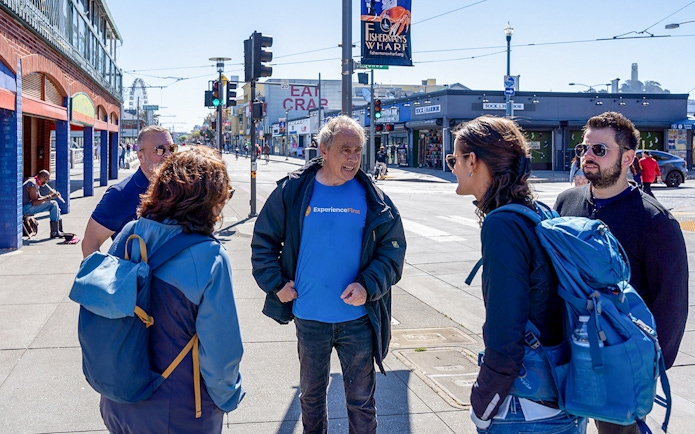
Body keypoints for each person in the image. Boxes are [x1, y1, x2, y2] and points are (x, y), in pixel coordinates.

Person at [251, 115, 406, 434]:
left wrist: (367, 285)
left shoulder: (373, 196)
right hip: (310, 318)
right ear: (324, 149)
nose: (352, 158)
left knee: (362, 401)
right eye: (345, 149)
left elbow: (392, 250)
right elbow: (263, 241)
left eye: (357, 150)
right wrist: (276, 285)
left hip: (358, 320)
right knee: (311, 397)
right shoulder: (294, 190)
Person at [448, 116, 587, 434]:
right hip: (563, 397)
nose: (453, 167)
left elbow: (505, 331)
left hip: (524, 409)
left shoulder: (503, 224)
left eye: (455, 158)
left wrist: (482, 405)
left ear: (473, 161)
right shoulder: (540, 212)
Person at [554, 112, 687, 434]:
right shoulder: (566, 202)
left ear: (627, 158)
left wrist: (650, 365)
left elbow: (672, 302)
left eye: (599, 150)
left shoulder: (655, 222)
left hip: (617, 357)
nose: (586, 156)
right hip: (564, 347)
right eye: (583, 149)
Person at [99, 146, 244, 433]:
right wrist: (228, 397)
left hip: (118, 398)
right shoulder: (209, 256)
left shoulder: (129, 233)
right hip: (178, 409)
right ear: (209, 199)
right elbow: (221, 349)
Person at [82, 125, 176, 258]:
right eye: (160, 150)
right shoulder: (121, 193)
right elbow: (90, 242)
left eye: (171, 149)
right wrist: (99, 276)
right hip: (139, 276)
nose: (168, 155)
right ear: (140, 156)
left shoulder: (179, 187)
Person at [22, 170, 69, 239]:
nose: (46, 182)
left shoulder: (35, 183)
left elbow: (39, 198)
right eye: (47, 179)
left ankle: (58, 230)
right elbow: (34, 202)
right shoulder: (32, 184)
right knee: (53, 204)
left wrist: (50, 195)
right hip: (24, 208)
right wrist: (49, 197)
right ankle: (55, 231)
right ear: (43, 177)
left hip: (28, 206)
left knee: (54, 205)